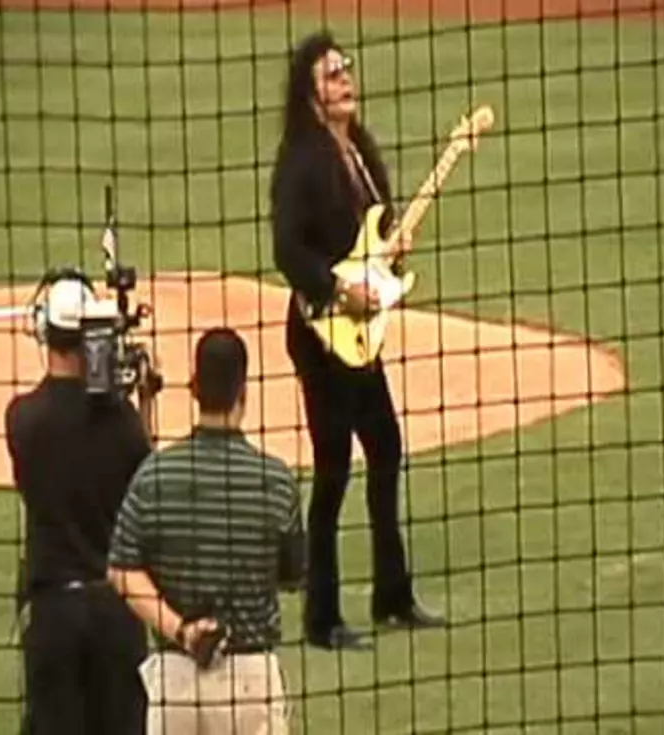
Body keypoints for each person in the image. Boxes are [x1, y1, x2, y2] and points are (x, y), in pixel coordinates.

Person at [270, 30, 445, 651]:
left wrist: (390, 256)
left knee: (387, 450)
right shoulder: (301, 160)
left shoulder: (359, 152)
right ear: (311, 96)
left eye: (346, 68)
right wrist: (340, 292)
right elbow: (289, 248)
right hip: (322, 335)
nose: (345, 80)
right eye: (332, 75)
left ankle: (392, 596)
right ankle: (322, 619)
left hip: (360, 337)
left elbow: (366, 241)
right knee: (334, 470)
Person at [106, 327, 306, 735]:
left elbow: (122, 570)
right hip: (249, 681)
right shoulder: (275, 481)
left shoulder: (156, 473)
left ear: (194, 389)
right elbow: (292, 573)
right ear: (244, 392)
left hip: (175, 680)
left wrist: (182, 629)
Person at [5, 269, 157, 735]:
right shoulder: (123, 421)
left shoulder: (22, 419)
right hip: (115, 614)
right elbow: (143, 483)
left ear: (44, 331)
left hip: (53, 617)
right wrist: (139, 399)